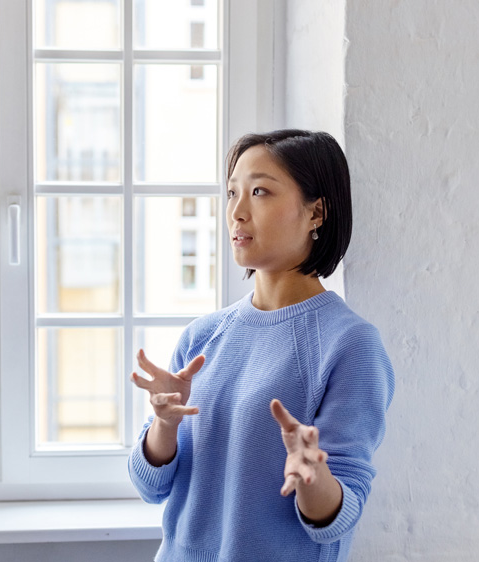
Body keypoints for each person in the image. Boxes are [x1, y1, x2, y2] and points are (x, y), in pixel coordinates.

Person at [128, 129, 395, 561]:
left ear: (317, 212)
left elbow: (336, 519)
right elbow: (150, 486)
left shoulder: (351, 345)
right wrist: (165, 425)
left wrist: (313, 476)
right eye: (232, 192)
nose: (236, 211)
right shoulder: (202, 336)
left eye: (259, 191)